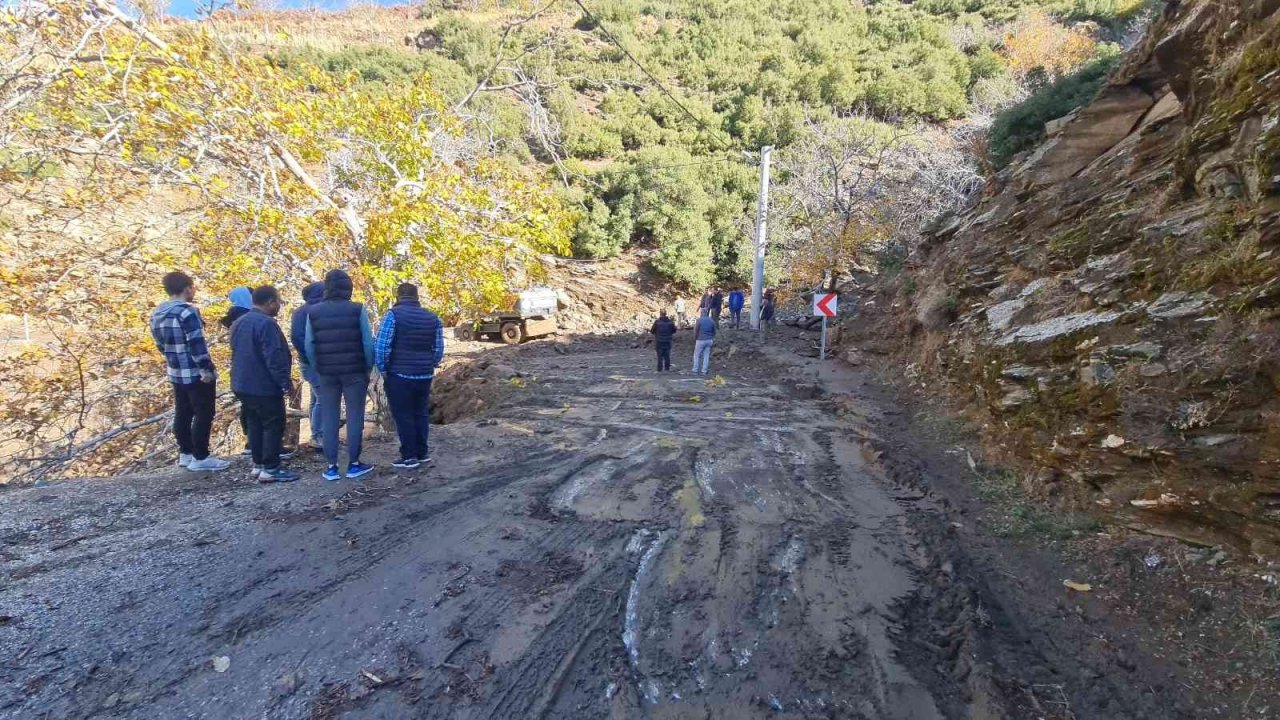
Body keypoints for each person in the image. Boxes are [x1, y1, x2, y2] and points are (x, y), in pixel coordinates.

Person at [149, 271, 231, 472]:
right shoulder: (187, 311)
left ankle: (185, 453)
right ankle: (201, 456)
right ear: (187, 288)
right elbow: (196, 343)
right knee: (204, 412)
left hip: (175, 371)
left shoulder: (157, 313)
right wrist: (205, 368)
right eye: (193, 287)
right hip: (194, 372)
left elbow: (159, 344)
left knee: (183, 412)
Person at [305, 269, 376, 481]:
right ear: (348, 288)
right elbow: (367, 342)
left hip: (327, 373)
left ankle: (331, 467)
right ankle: (354, 464)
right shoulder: (357, 309)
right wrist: (368, 366)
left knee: (329, 416)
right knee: (355, 416)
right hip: (354, 371)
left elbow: (309, 345)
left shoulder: (313, 312)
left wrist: (318, 366)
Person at [229, 285, 299, 483]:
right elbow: (274, 357)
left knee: (254, 424)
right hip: (263, 384)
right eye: (278, 302)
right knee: (272, 424)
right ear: (270, 302)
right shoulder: (266, 324)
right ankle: (271, 467)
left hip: (242, 383)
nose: (279, 306)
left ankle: (258, 463)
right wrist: (285, 383)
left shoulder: (239, 322)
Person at [375, 283, 444, 470]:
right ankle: (422, 453)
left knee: (403, 415)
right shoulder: (433, 318)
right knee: (420, 413)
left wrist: (383, 370)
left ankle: (409, 456)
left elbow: (382, 347)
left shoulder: (393, 315)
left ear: (398, 296)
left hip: (399, 374)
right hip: (424, 374)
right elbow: (438, 349)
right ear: (417, 297)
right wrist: (430, 364)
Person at [290, 281, 326, 453]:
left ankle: (316, 432)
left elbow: (296, 338)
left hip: (307, 362)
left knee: (315, 398)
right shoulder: (316, 310)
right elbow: (300, 338)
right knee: (323, 398)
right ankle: (318, 436)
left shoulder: (300, 311)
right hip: (315, 362)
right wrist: (314, 356)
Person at [692, 309, 716, 375]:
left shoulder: (699, 320)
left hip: (700, 339)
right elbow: (714, 331)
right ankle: (704, 371)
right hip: (709, 340)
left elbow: (696, 330)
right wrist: (712, 337)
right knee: (706, 356)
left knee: (696, 355)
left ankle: (695, 370)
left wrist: (695, 338)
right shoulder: (712, 321)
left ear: (702, 313)